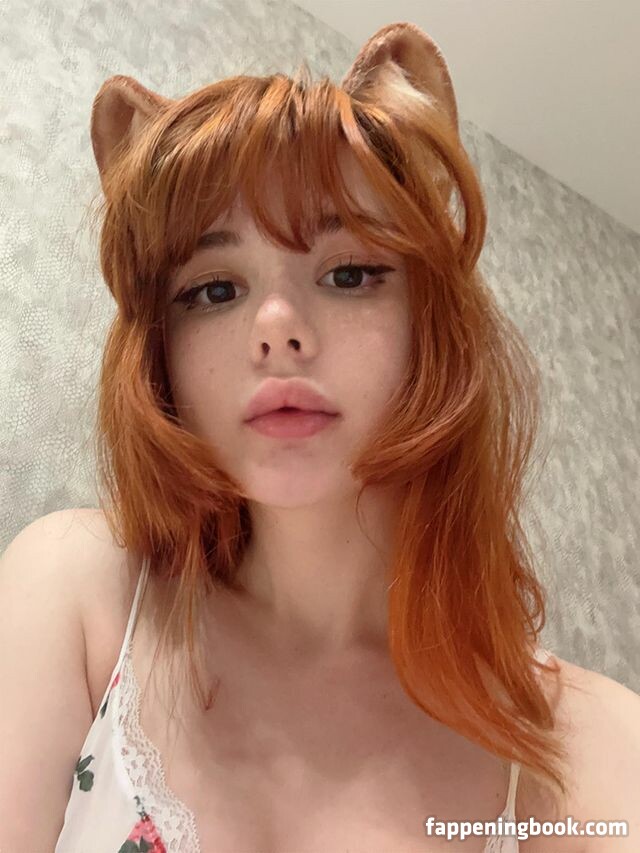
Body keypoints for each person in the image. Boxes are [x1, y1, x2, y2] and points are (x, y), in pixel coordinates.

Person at [1, 20, 639, 853]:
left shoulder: (591, 750)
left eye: (349, 273)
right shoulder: (77, 598)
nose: (276, 326)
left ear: (431, 320)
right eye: (214, 289)